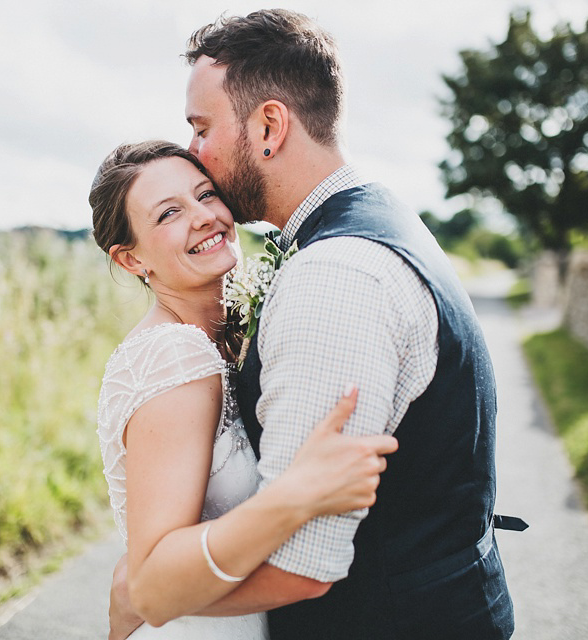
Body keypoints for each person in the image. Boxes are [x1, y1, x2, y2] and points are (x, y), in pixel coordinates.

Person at [112, 8, 524, 639]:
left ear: (270, 126)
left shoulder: (334, 277)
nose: (196, 154)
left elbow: (302, 568)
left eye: (201, 128)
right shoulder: (381, 216)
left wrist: (148, 596)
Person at [91, 139, 399, 639]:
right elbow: (150, 575)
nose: (204, 216)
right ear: (130, 260)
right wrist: (295, 496)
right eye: (169, 213)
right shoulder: (176, 355)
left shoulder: (222, 336)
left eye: (206, 194)